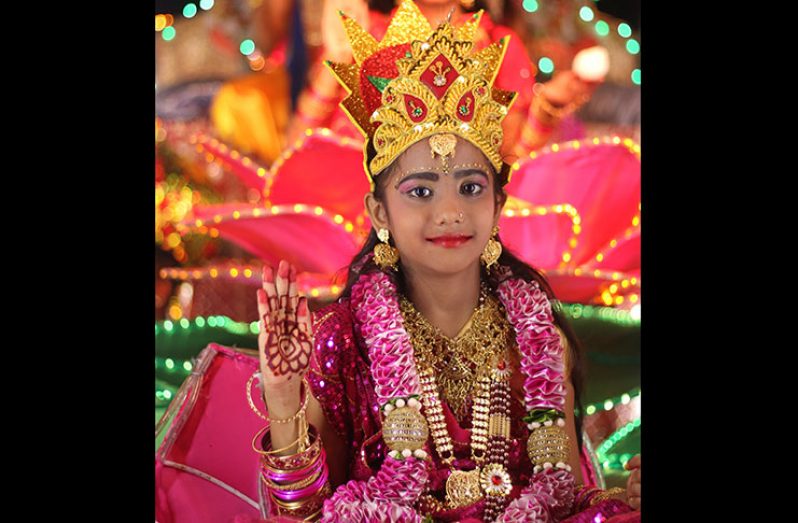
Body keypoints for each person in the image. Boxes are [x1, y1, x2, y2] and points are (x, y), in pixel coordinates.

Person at [253, 1, 639, 520]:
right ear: (378, 210)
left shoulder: (537, 335)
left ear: (500, 204)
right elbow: (303, 515)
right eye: (419, 191)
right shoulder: (340, 341)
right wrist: (283, 404)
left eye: (471, 187)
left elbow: (566, 503)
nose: (451, 211)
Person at [287, 0, 599, 163]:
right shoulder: (367, 33)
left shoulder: (500, 44)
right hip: (367, 225)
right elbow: (297, 147)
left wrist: (548, 107)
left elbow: (511, 164)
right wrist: (338, 57)